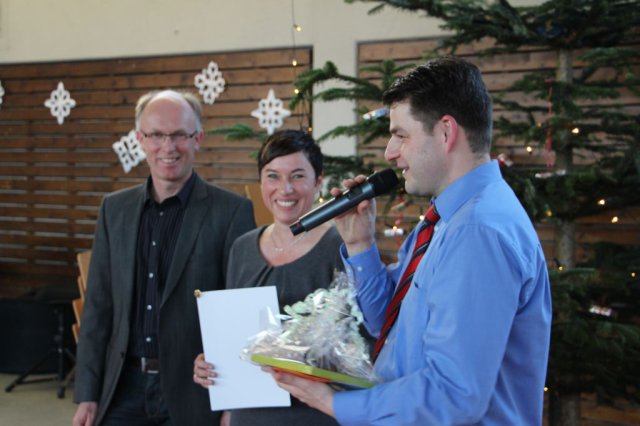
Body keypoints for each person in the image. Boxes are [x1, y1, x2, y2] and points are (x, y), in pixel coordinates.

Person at [266, 56, 552, 425]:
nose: (389, 152)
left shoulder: (477, 233)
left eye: (401, 135)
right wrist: (359, 243)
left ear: (446, 133)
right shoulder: (445, 219)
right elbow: (388, 324)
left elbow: (453, 395)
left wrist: (335, 403)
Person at [72, 90, 256, 426]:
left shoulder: (232, 212)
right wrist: (88, 393)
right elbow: (98, 307)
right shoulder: (114, 209)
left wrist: (234, 402)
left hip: (196, 393)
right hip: (121, 388)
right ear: (140, 140)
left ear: (197, 138)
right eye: (156, 135)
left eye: (179, 135)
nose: (168, 147)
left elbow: (240, 312)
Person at [193, 129, 343, 426]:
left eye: (297, 176)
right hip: (249, 414)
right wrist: (212, 363)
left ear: (318, 181)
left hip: (314, 415)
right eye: (273, 176)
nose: (285, 189)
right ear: (261, 182)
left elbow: (357, 349)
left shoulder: (340, 247)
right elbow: (237, 335)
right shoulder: (243, 248)